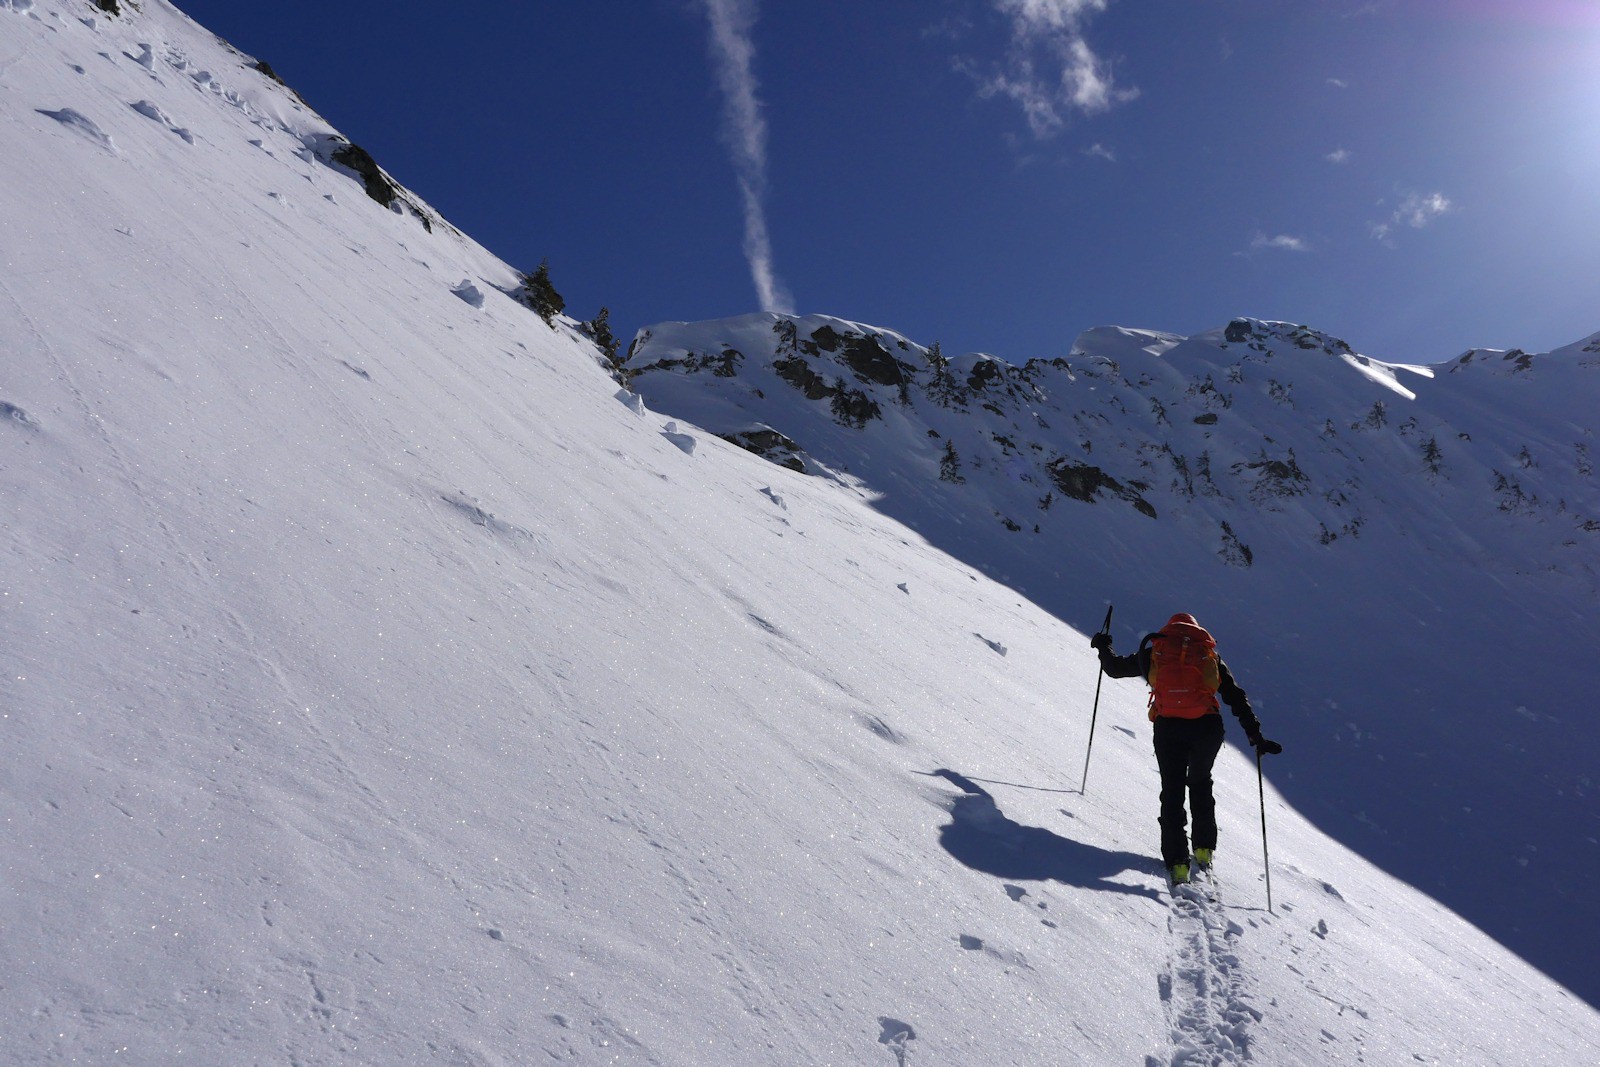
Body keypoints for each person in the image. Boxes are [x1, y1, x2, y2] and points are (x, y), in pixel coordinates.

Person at [1091, 613, 1281, 885]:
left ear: (1169, 629)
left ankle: (1178, 863)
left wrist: (1103, 646)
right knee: (1201, 782)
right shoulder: (1207, 655)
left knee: (1172, 788)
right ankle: (1203, 850)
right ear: (1196, 631)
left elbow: (1114, 669)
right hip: (1207, 728)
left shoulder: (1157, 651)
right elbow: (1235, 697)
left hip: (1169, 728)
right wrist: (1255, 736)